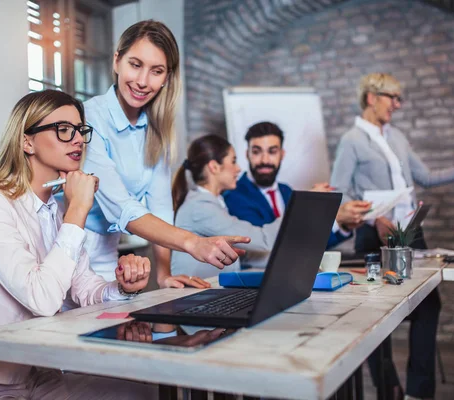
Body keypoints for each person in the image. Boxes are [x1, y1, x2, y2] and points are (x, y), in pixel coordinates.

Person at [0, 90, 156, 399]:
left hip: (36, 374)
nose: (77, 140)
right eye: (63, 130)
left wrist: (123, 287)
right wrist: (78, 211)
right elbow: (42, 298)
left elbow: (85, 289)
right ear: (27, 141)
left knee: (138, 390)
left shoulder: (58, 213)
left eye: (81, 130)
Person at [330, 72, 454, 400]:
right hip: (374, 239)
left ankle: (419, 393)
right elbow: (339, 194)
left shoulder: (398, 136)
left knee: (428, 307)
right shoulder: (352, 140)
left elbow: (426, 177)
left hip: (411, 233)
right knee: (377, 318)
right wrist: (375, 219)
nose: (397, 105)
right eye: (393, 97)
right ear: (372, 97)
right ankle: (389, 390)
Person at [81, 20, 248, 289]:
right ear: (117, 62)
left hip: (107, 251)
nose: (142, 82)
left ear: (167, 77)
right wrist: (192, 242)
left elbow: (159, 206)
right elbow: (120, 206)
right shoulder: (89, 117)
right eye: (135, 65)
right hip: (67, 246)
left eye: (156, 71)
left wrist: (164, 274)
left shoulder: (157, 131)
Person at [223, 121, 371, 255]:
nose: (264, 160)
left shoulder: (285, 191)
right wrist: (311, 207)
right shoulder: (235, 196)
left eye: (272, 151)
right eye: (256, 152)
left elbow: (309, 244)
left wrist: (342, 224)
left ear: (282, 154)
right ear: (247, 155)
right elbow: (267, 246)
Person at [171, 134, 282, 279]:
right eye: (233, 161)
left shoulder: (214, 202)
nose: (238, 169)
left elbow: (244, 255)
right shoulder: (200, 207)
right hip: (194, 295)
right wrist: (298, 209)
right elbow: (263, 240)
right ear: (214, 167)